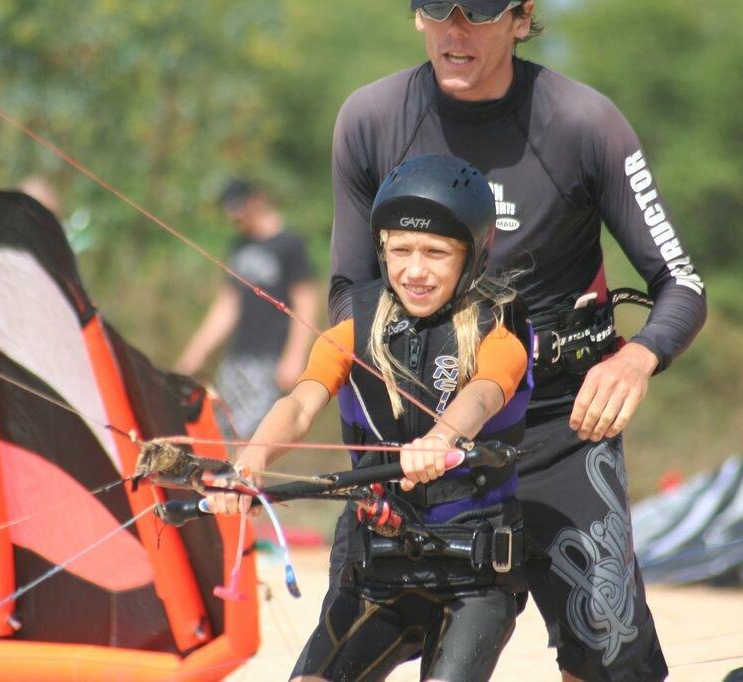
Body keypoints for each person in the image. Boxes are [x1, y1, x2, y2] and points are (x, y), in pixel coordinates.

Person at [326, 2, 707, 680]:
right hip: (423, 435)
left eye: (478, 11)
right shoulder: (372, 118)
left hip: (557, 425)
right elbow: (348, 296)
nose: (456, 28)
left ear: (521, 17)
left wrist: (639, 358)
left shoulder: (585, 123)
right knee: (337, 656)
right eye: (437, 8)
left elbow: (681, 282)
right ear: (416, 17)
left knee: (609, 655)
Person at [204, 154, 534, 681]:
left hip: (473, 577)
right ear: (382, 251)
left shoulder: (500, 334)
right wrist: (251, 462)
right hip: (375, 566)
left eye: (436, 253)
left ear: (472, 256)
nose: (415, 270)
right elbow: (299, 404)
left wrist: (441, 438)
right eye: (400, 250)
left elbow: (483, 395)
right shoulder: (352, 330)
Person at [176, 180, 317, 438]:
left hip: (270, 360)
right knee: (222, 432)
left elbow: (306, 302)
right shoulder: (239, 247)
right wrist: (195, 354)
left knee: (255, 436)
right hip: (236, 359)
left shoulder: (290, 244)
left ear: (257, 200)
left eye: (239, 208)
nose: (235, 216)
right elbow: (227, 306)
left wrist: (295, 356)